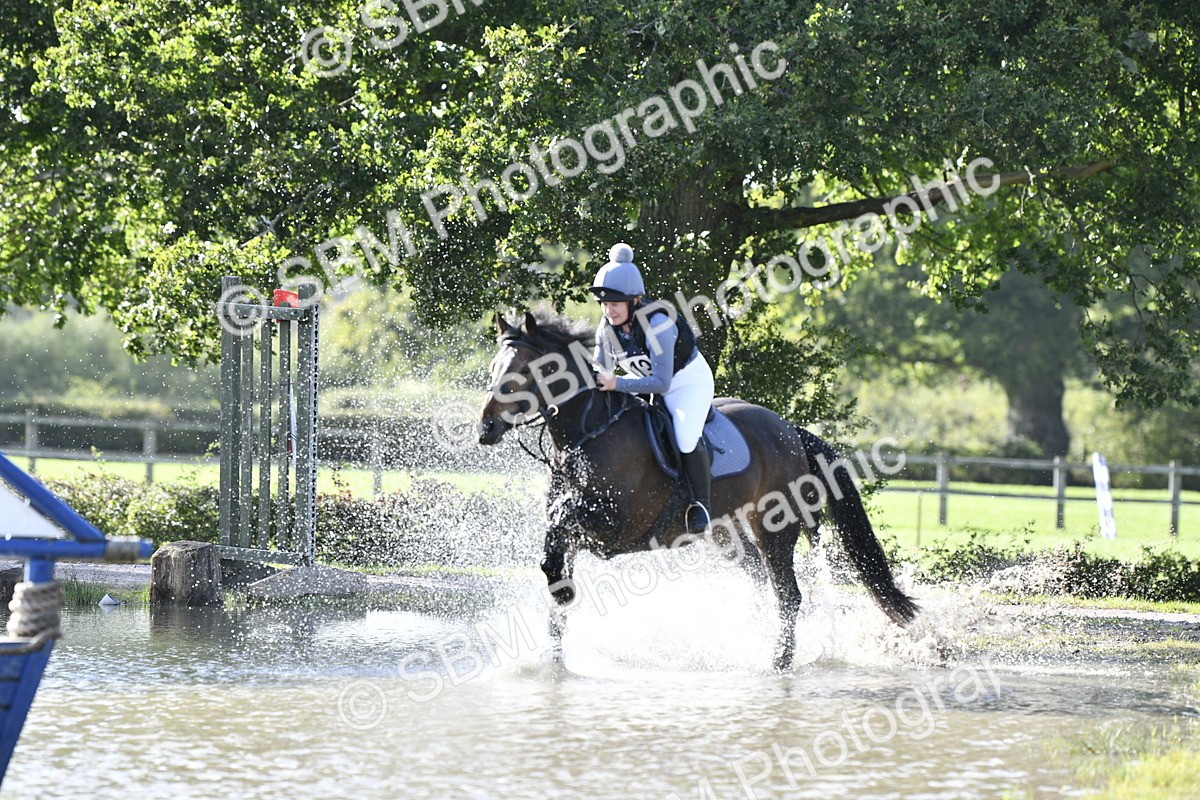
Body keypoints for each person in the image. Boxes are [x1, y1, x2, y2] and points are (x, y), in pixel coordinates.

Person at [590, 243, 716, 534]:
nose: (609, 310)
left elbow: (662, 383)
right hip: (643, 386)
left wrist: (617, 383)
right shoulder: (606, 328)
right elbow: (601, 372)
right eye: (605, 304)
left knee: (685, 438)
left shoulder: (657, 324)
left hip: (686, 384)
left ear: (634, 301)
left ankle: (701, 507)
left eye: (615, 304)